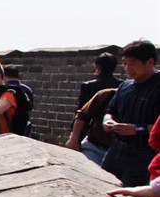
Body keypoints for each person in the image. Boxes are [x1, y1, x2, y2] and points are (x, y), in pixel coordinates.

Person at [101, 39, 160, 187]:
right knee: (104, 187)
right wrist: (108, 122)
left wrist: (137, 129)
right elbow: (110, 112)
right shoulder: (125, 86)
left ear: (150, 62)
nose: (127, 68)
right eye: (124, 63)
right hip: (116, 150)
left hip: (144, 154)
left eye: (132, 63)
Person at [65, 87, 118, 166]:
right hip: (95, 147)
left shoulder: (139, 100)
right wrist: (73, 140)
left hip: (122, 154)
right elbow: (82, 115)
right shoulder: (107, 95)